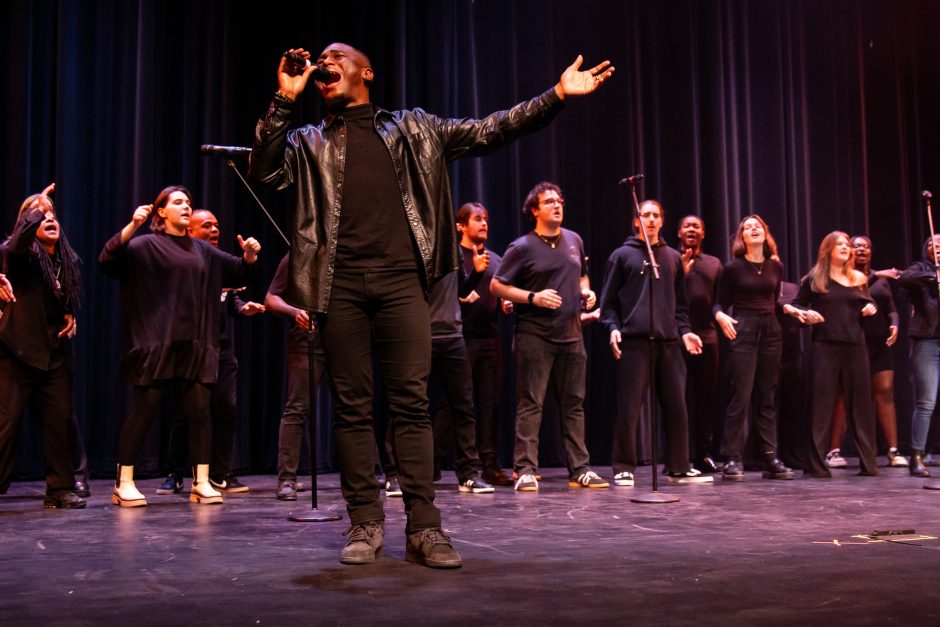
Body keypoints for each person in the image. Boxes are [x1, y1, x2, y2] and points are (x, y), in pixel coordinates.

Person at [250, 43, 613, 568]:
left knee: (411, 406)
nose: (323, 66)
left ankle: (425, 527)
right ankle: (365, 523)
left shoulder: (415, 128)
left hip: (402, 282)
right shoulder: (308, 141)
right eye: (319, 62)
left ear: (364, 71)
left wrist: (556, 95)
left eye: (334, 57)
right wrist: (284, 99)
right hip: (339, 285)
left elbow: (494, 128)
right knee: (352, 410)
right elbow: (263, 171)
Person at [100, 186, 261, 507]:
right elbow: (108, 258)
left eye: (188, 202)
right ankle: (125, 481)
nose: (186, 206)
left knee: (200, 410)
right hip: (157, 340)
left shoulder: (201, 250)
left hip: (196, 342)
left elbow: (238, 270)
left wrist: (250, 255)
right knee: (146, 407)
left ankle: (201, 481)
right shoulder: (145, 245)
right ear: (161, 212)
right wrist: (133, 225)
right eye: (177, 202)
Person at [490, 182, 608, 491]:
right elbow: (497, 286)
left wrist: (587, 291)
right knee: (531, 403)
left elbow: (581, 274)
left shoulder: (574, 240)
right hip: (535, 336)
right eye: (549, 201)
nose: (557, 205)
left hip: (571, 333)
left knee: (574, 403)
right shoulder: (522, 247)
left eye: (559, 200)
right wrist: (533, 297)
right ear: (534, 210)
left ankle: (580, 468)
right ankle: (525, 468)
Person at [598, 199, 712, 487]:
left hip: (668, 341)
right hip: (635, 341)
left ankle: (678, 466)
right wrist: (612, 327)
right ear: (636, 221)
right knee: (629, 406)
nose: (649, 220)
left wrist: (685, 331)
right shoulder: (622, 255)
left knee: (677, 405)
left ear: (662, 221)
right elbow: (608, 303)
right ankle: (624, 466)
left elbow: (680, 306)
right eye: (644, 215)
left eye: (655, 216)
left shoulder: (672, 257)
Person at [156, 209, 265, 496]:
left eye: (217, 225)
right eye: (207, 225)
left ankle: (220, 473)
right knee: (186, 411)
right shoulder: (183, 260)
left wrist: (242, 307)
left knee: (226, 408)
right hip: (191, 346)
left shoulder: (222, 262)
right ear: (190, 231)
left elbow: (231, 298)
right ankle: (176, 472)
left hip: (222, 348)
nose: (214, 229)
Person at [0, 187, 85, 508]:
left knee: (58, 422)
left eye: (52, 214)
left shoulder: (68, 259)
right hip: (15, 351)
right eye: (39, 215)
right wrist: (37, 205)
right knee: (5, 424)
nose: (49, 218)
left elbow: (64, 296)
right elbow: (15, 244)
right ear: (27, 222)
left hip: (55, 352)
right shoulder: (19, 254)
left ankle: (60, 489)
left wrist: (69, 313)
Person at [786, 231, 879, 477]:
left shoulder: (859, 277)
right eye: (839, 244)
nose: (846, 248)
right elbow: (796, 305)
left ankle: (869, 464)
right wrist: (804, 314)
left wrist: (872, 307)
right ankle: (816, 466)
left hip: (855, 346)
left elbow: (867, 304)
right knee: (821, 407)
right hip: (825, 347)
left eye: (847, 244)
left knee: (859, 407)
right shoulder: (815, 278)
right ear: (827, 249)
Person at [713, 215, 793, 481]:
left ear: (764, 233)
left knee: (767, 396)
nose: (753, 228)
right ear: (742, 238)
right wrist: (721, 316)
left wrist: (792, 308)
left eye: (757, 225)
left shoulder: (775, 266)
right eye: (748, 227)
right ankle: (732, 458)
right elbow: (718, 304)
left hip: (771, 330)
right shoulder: (733, 268)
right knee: (741, 396)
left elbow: (774, 301)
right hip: (744, 328)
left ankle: (770, 455)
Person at [826, 236, 905, 469]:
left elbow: (891, 309)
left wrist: (895, 323)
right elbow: (858, 290)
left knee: (885, 392)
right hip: (853, 343)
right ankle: (833, 451)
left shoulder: (882, 281)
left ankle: (893, 449)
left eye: (866, 246)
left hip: (879, 345)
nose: (861, 249)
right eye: (856, 245)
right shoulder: (845, 278)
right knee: (844, 395)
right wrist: (878, 275)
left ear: (871, 252)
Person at [455, 202, 513, 486]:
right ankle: (452, 463)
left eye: (486, 219)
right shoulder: (453, 258)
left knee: (489, 404)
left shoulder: (496, 259)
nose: (484, 224)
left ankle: (490, 465)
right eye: (477, 219)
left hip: (489, 339)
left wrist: (506, 302)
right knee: (458, 405)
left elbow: (502, 291)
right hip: (459, 339)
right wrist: (460, 299)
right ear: (461, 226)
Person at [265, 253, 327, 501]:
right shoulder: (298, 256)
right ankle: (287, 479)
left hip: (345, 339)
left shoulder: (350, 252)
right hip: (307, 340)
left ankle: (368, 472)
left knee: (354, 405)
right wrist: (295, 311)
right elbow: (271, 299)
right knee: (298, 408)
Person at [677, 215, 722, 474]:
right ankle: (678, 455)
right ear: (679, 232)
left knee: (705, 399)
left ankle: (703, 454)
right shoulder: (671, 259)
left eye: (696, 226)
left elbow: (719, 300)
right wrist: (680, 272)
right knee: (677, 399)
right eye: (687, 226)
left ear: (703, 233)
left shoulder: (714, 263)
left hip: (707, 338)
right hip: (677, 336)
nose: (692, 229)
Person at [898, 234, 940, 477]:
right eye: (933, 245)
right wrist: (933, 277)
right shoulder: (921, 270)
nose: (937, 248)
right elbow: (905, 277)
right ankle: (917, 456)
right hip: (927, 341)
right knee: (926, 401)